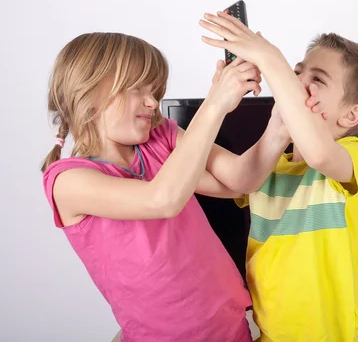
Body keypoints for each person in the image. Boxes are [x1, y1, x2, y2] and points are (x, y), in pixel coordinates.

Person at [40, 32, 322, 342]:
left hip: (230, 327)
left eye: (155, 91)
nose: (152, 103)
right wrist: (214, 104)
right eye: (138, 90)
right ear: (89, 91)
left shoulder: (161, 137)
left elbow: (241, 181)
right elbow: (162, 199)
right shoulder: (68, 181)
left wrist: (280, 125)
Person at [199, 12, 358, 341]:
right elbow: (188, 175)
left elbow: (318, 152)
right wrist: (215, 103)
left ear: (351, 114)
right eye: (296, 73)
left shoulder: (356, 154)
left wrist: (270, 58)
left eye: (317, 79)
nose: (295, 82)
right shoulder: (266, 168)